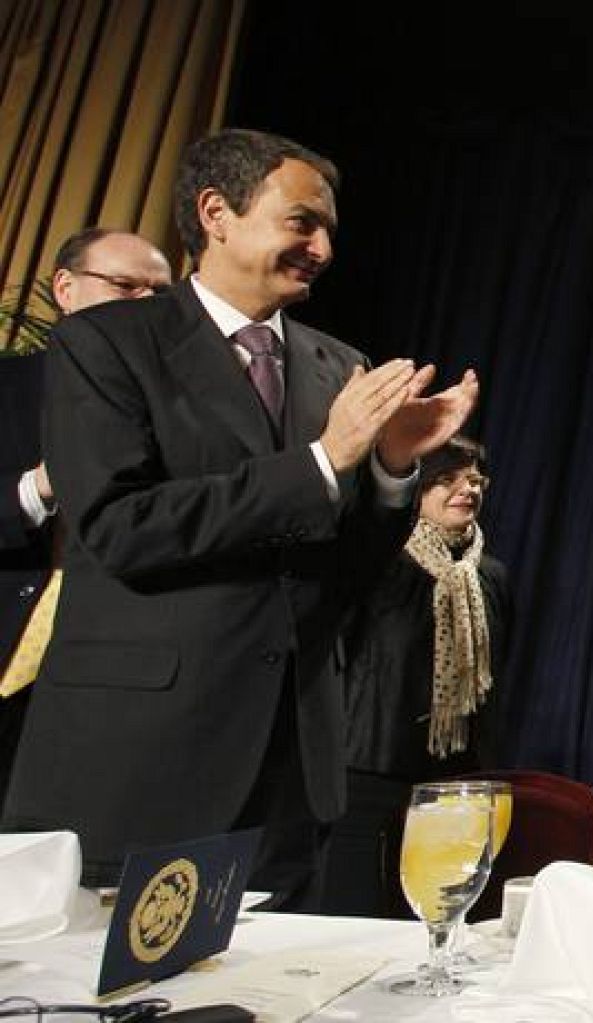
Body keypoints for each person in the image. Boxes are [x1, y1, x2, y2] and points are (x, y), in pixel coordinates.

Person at [1, 129, 479, 909]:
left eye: (329, 230)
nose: (323, 247)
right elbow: (123, 525)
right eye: (301, 222)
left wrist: (393, 466)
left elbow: (342, 573)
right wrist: (323, 461)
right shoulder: (106, 343)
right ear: (216, 212)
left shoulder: (338, 365)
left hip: (290, 780)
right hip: (139, 764)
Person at [0, 229, 173, 801]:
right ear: (66, 290)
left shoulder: (185, 416)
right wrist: (43, 486)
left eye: (161, 295)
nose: (146, 306)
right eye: (126, 286)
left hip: (106, 685)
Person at [322, 434, 513, 917]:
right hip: (369, 763)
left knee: (441, 913)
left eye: (474, 479)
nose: (466, 489)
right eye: (447, 479)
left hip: (455, 774)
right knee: (356, 912)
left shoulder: (489, 574)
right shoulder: (378, 560)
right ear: (418, 487)